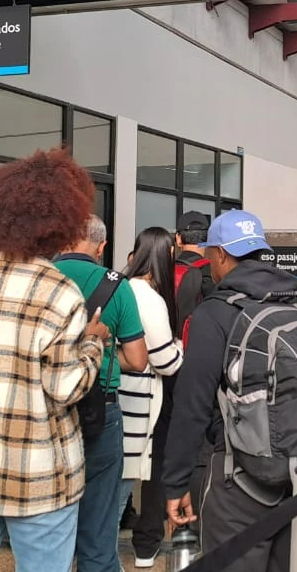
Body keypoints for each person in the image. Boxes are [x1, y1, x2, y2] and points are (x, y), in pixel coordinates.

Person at [0, 149, 111, 572]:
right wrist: (92, 346)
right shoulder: (58, 290)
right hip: (37, 470)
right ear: (60, 224)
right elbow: (65, 387)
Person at [164, 210, 297, 572]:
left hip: (241, 479)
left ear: (219, 254)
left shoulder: (215, 313)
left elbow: (192, 405)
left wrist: (175, 482)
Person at [55, 215, 148, 572]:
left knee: (48, 523)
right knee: (99, 524)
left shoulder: (39, 278)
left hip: (44, 408)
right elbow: (138, 360)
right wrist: (102, 350)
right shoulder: (116, 285)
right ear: (102, 246)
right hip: (100, 411)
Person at [121, 227, 185, 568]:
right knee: (137, 476)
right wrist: (180, 347)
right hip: (141, 401)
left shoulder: (118, 286)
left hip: (112, 395)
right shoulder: (150, 298)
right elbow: (166, 362)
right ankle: (143, 550)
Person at [173, 211, 213, 345]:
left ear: (178, 239)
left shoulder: (163, 270)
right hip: (199, 346)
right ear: (207, 240)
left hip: (167, 348)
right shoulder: (213, 273)